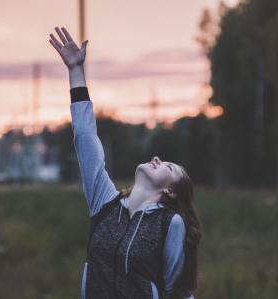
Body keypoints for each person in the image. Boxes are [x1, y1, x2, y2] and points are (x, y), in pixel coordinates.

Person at [49, 26, 201, 299]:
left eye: (168, 167)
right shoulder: (104, 203)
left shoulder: (171, 224)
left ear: (170, 191)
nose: (157, 159)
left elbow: (177, 291)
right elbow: (85, 138)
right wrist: (75, 72)